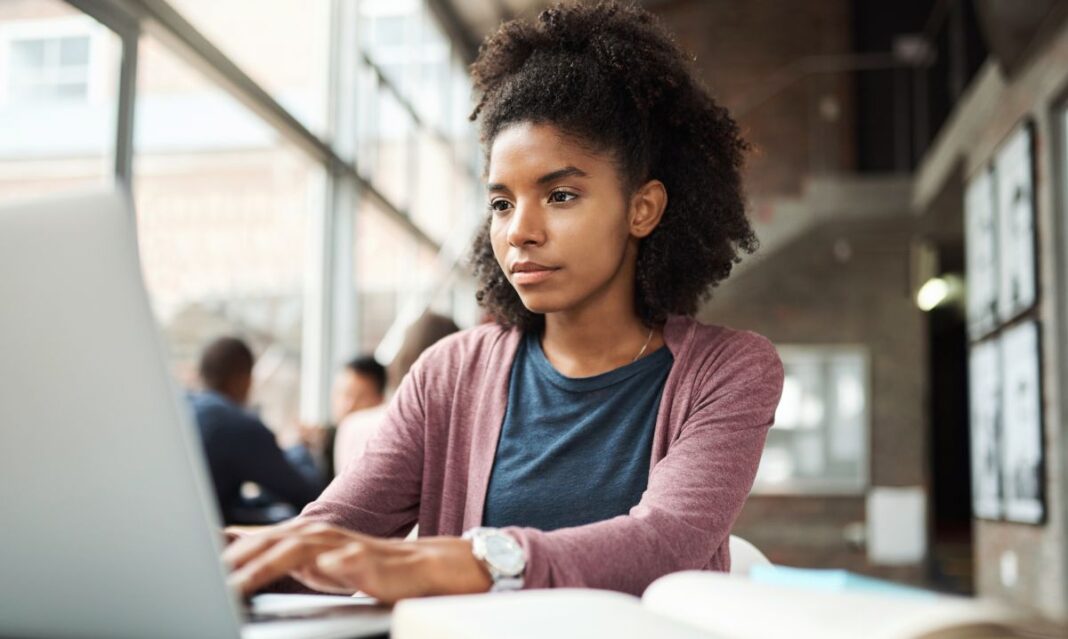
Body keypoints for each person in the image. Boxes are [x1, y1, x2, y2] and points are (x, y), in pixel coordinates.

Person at [224, 1, 784, 603]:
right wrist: (221, 557)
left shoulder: (730, 372)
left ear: (641, 209)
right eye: (501, 203)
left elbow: (664, 543)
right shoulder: (450, 372)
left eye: (561, 195)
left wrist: (461, 562)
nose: (520, 230)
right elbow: (329, 534)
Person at [189, 337, 324, 524]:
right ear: (244, 379)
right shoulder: (238, 425)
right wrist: (301, 449)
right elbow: (310, 497)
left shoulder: (181, 407)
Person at [333, 313, 459, 475]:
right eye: (342, 395)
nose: (348, 405)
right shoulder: (450, 433)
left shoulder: (353, 427)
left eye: (359, 397)